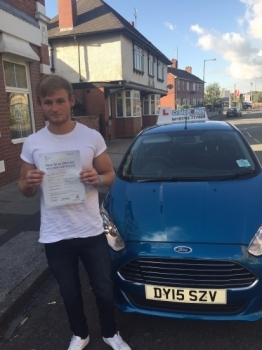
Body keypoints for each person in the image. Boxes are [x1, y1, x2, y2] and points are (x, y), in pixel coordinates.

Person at [18, 75, 131, 350]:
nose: (54, 107)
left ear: (71, 101)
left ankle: (110, 332)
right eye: (48, 102)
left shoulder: (91, 137)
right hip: (56, 234)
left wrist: (98, 179)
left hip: (90, 229)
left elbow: (110, 175)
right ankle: (80, 334)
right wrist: (29, 184)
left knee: (103, 287)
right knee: (68, 291)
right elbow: (24, 188)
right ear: (40, 105)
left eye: (59, 101)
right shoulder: (33, 143)